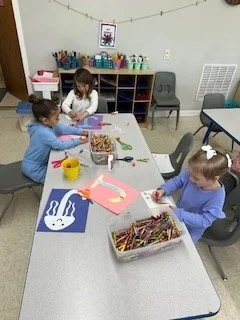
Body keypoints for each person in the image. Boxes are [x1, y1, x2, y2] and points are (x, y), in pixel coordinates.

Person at [152, 145, 232, 243]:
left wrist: (179, 214)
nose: (190, 178)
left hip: (192, 230)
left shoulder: (217, 197)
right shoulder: (194, 173)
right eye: (190, 174)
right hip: (175, 216)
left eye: (196, 179)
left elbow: (204, 221)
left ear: (215, 178)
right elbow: (178, 181)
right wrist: (163, 190)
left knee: (180, 249)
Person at [22, 95, 88, 184]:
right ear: (45, 120)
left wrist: (81, 132)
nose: (59, 119)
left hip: (41, 162)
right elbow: (59, 145)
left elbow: (62, 128)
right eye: (56, 118)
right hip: (34, 169)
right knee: (58, 181)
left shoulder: (46, 123)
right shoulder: (42, 132)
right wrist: (78, 141)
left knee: (61, 173)